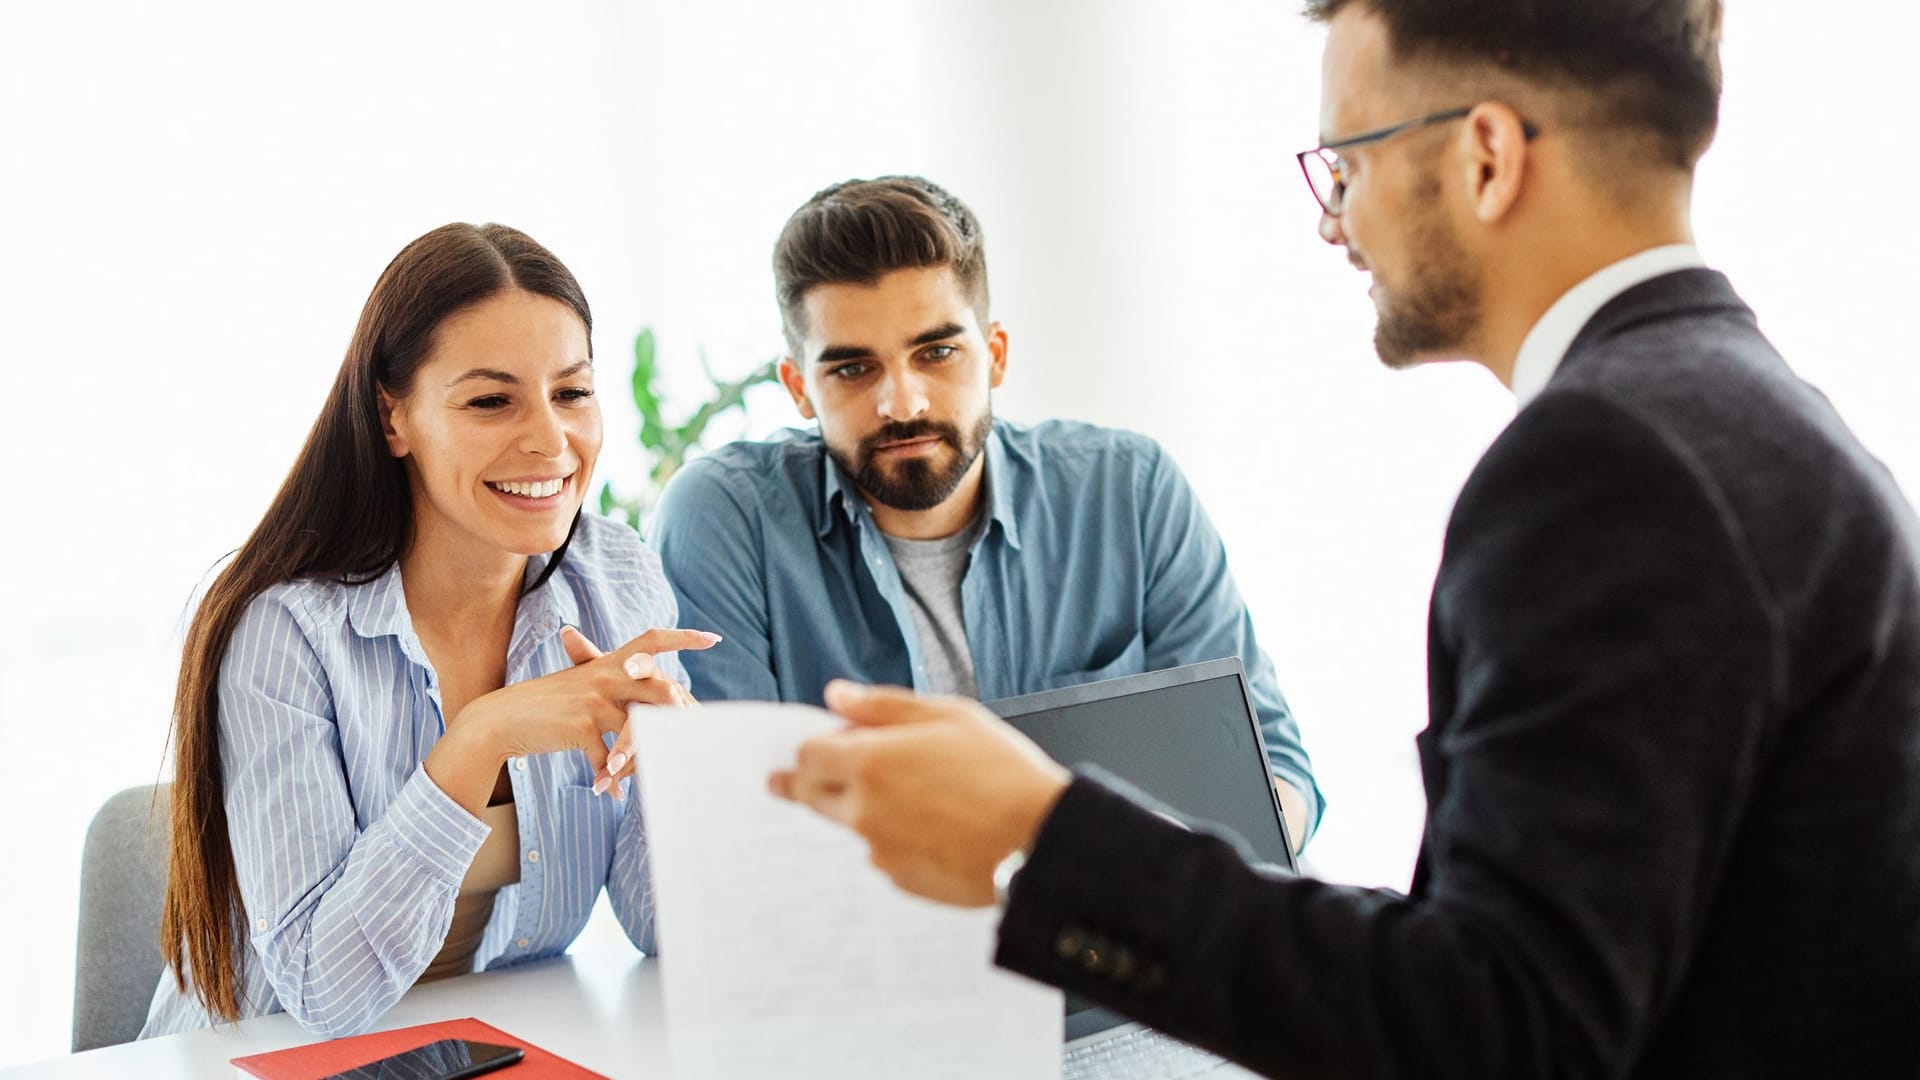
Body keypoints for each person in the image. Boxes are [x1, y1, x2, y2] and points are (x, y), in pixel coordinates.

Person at [770, 1, 1920, 1074]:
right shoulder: (1749, 414)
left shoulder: (1603, 468)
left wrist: (1041, 828)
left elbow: (1503, 1026)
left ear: (1485, 159)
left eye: (1348, 161)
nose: (1334, 221)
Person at [145, 223, 715, 1038]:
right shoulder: (288, 632)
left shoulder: (615, 579)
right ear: (392, 418)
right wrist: (479, 737)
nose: (552, 441)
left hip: (483, 1049)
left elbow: (667, 926)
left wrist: (678, 774)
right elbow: (322, 989)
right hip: (267, 1053)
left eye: (573, 393)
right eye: (491, 400)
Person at [650, 175, 1322, 847]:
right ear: (799, 387)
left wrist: (1219, 883)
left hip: (1115, 938)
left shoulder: (1130, 492)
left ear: (994, 355)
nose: (903, 403)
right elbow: (731, 835)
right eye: (853, 370)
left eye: (936, 352)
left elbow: (1272, 774)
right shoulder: (725, 520)